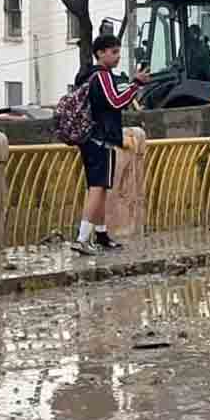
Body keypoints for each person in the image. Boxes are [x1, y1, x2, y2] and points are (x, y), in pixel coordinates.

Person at [71, 35, 151, 255]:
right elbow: (116, 101)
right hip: (101, 139)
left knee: (100, 188)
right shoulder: (102, 76)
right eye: (113, 52)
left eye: (117, 52)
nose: (116, 57)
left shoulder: (87, 76)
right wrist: (136, 84)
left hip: (89, 139)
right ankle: (82, 239)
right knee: (97, 188)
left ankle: (102, 234)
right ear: (100, 53)